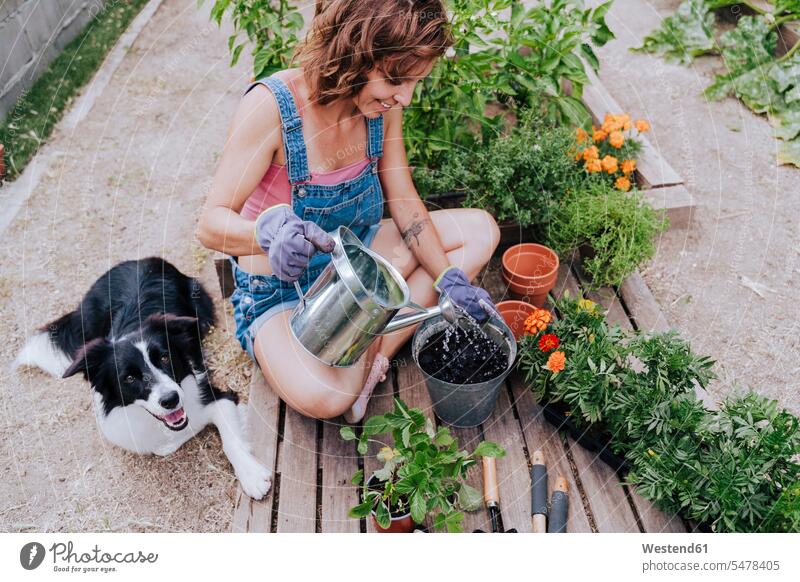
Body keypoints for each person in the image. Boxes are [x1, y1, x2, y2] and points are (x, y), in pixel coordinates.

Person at [197, 0, 500, 423]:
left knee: (481, 232)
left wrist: (449, 279)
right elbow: (210, 224)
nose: (406, 98)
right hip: (284, 293)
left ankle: (372, 355)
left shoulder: (380, 108)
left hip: (357, 266)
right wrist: (265, 234)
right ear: (352, 53)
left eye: (415, 82)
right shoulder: (272, 108)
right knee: (329, 396)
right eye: (396, 78)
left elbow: (406, 202)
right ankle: (357, 358)